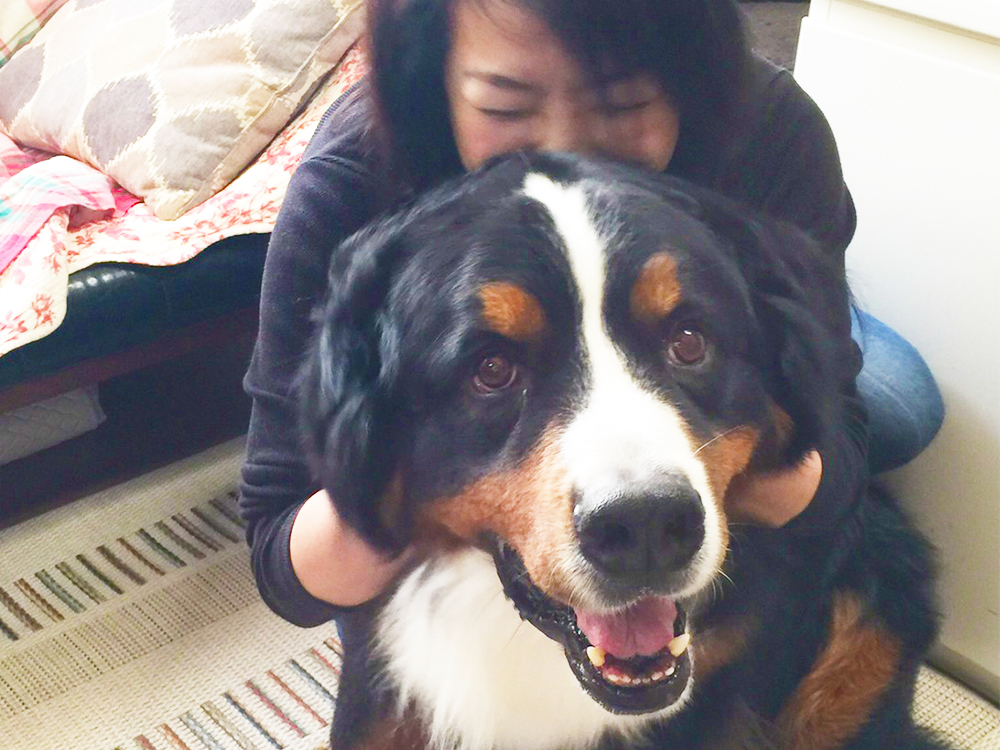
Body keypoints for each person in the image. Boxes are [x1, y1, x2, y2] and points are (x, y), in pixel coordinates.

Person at [239, 0, 943, 626]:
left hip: (749, 296)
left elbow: (835, 466)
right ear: (435, 85)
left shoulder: (775, 132)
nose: (565, 153)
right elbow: (284, 560)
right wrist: (396, 480)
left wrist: (693, 436)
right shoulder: (348, 183)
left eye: (624, 103)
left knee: (902, 404)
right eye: (506, 109)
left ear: (689, 80)